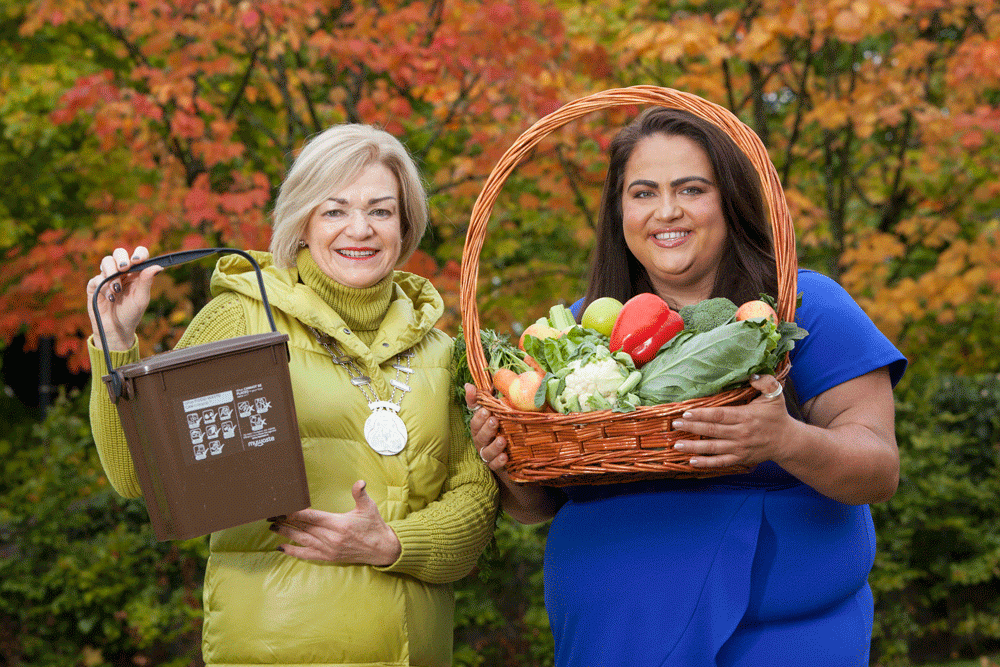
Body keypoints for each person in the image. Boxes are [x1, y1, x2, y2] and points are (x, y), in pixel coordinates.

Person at [466, 106, 907, 666]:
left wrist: (784, 441)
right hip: (606, 641)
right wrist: (508, 464)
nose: (666, 211)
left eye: (692, 189)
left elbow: (879, 468)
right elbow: (538, 505)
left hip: (776, 642)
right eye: (643, 193)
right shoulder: (575, 333)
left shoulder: (804, 304)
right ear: (618, 211)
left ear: (729, 200)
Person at [87, 124, 499, 666]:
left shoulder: (445, 350)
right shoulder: (242, 317)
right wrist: (115, 343)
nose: (361, 229)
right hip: (270, 649)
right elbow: (140, 477)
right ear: (302, 222)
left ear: (405, 225)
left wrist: (392, 545)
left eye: (380, 211)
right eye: (334, 210)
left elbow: (476, 502)